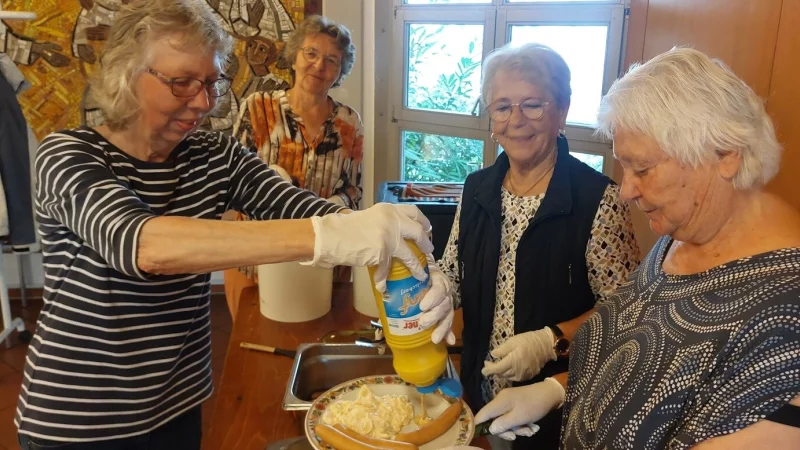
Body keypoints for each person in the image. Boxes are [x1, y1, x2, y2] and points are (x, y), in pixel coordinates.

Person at [13, 1, 451, 448]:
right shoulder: (68, 156)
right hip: (77, 418)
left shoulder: (212, 155)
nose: (203, 102)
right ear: (126, 74)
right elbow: (144, 245)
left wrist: (393, 242)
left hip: (177, 403)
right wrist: (335, 236)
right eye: (181, 82)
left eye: (210, 83)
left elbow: (292, 205)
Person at [476, 47, 800, 449]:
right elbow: (629, 357)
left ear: (725, 155)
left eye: (642, 169)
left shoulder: (785, 315)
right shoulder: (679, 236)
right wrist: (559, 389)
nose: (627, 189)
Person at [422, 42, 640, 450]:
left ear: (562, 109)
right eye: (502, 107)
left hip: (556, 407)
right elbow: (453, 268)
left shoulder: (599, 200)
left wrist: (550, 341)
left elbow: (626, 314)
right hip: (481, 394)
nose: (516, 120)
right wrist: (436, 289)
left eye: (532, 105)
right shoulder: (477, 188)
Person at [228, 14, 364, 293]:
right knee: (255, 331)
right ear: (294, 57)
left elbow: (353, 190)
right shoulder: (258, 107)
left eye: (331, 60)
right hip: (258, 253)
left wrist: (323, 219)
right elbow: (233, 182)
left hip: (323, 252)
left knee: (318, 329)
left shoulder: (349, 122)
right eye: (311, 53)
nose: (319, 65)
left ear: (340, 70)